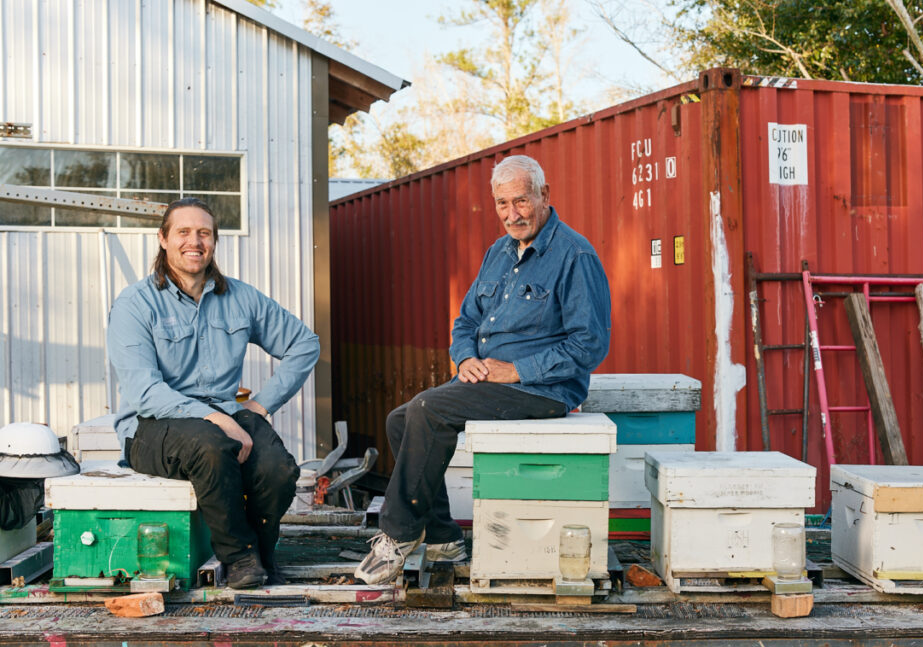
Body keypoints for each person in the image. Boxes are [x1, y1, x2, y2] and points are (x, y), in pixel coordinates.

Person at [355, 155, 611, 585]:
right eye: (502, 204)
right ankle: (441, 537)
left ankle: (397, 536)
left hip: (542, 390)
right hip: (486, 377)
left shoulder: (575, 255)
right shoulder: (498, 252)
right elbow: (466, 321)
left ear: (544, 196)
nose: (512, 215)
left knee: (426, 410)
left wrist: (517, 370)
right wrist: (465, 357)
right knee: (400, 419)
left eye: (521, 201)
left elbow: (590, 344)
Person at [107, 197, 319, 589]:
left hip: (223, 417)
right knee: (210, 445)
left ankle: (262, 554)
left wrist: (259, 406)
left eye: (204, 232)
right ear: (163, 239)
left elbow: (304, 344)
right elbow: (144, 390)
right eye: (183, 232)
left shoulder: (240, 298)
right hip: (152, 426)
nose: (195, 241)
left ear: (214, 241)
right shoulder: (135, 303)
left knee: (279, 469)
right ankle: (237, 557)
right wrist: (218, 418)